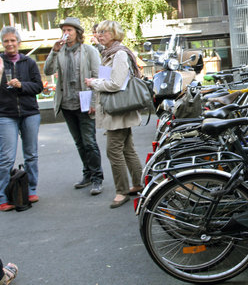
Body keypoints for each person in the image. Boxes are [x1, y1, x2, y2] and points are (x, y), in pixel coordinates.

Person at [85, 20, 144, 208]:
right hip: (119, 109)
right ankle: (139, 183)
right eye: (98, 32)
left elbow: (116, 84)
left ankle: (122, 191)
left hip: (118, 110)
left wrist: (94, 83)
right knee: (127, 149)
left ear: (115, 33)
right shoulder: (110, 53)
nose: (99, 35)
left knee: (114, 151)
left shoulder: (118, 54)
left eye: (104, 32)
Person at [44, 17, 104, 196]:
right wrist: (53, 52)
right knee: (79, 143)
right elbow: (48, 71)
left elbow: (98, 76)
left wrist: (94, 102)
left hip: (85, 103)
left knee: (89, 142)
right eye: (64, 30)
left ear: (78, 33)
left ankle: (97, 178)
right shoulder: (59, 51)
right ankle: (87, 174)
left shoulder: (89, 51)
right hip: (67, 104)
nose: (66, 33)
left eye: (70, 30)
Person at [0, 27, 43, 211]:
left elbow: (38, 87)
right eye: (6, 41)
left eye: (13, 40)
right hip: (6, 114)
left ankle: (30, 189)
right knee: (6, 158)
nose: (10, 44)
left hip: (29, 113)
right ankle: (2, 196)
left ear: (19, 42)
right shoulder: (0, 62)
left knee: (31, 154)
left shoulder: (29, 62)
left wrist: (21, 85)